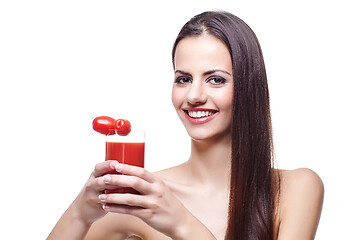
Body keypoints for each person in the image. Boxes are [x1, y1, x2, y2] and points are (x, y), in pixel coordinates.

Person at [48, 11, 324, 240]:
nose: (193, 96)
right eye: (183, 79)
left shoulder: (295, 188)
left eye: (215, 79)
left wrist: (180, 223)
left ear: (248, 88)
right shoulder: (143, 198)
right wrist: (80, 212)